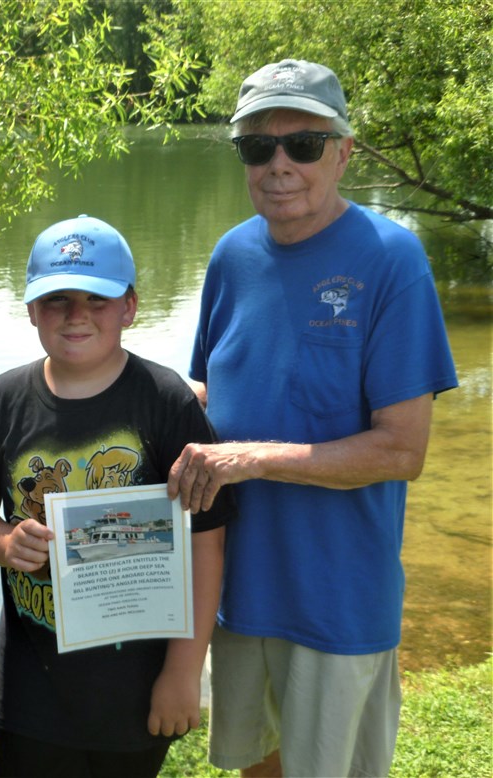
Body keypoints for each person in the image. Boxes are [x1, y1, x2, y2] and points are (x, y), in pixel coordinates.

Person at [166, 59, 458, 778]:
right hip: (239, 592)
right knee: (254, 767)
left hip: (339, 601)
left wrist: (250, 459)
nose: (279, 165)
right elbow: (211, 391)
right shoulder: (232, 256)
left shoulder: (392, 260)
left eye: (303, 144)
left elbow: (400, 452)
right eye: (257, 147)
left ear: (344, 151)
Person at [0, 215, 235, 777]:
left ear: (129, 306)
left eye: (97, 299)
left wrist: (183, 671)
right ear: (31, 310)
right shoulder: (2, 401)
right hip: (31, 690)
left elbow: (207, 540)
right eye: (56, 300)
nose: (76, 315)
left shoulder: (168, 401)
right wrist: (4, 541)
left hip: (136, 682)